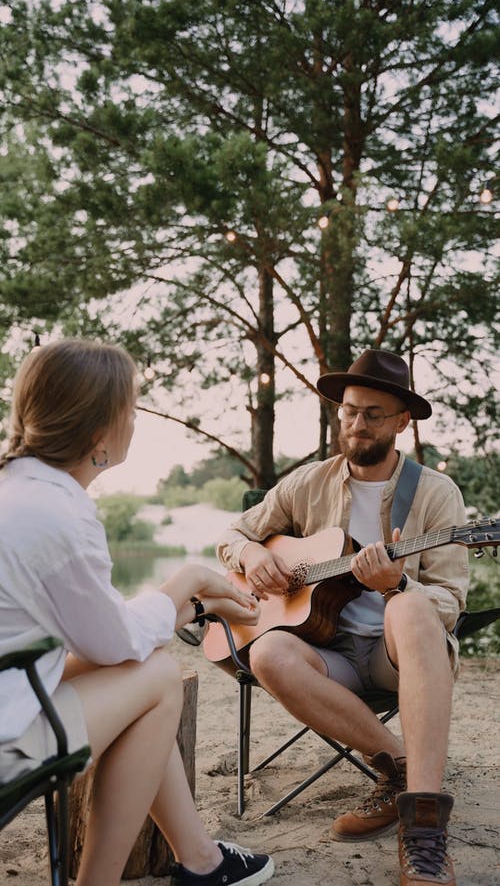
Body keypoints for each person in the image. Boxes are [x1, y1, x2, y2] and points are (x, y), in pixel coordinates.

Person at [0, 339, 275, 886]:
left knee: (136, 673)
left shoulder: (15, 491)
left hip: (12, 683)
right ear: (99, 433)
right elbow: (114, 644)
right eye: (132, 408)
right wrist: (189, 585)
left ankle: (201, 860)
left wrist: (187, 604)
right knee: (156, 676)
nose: (135, 421)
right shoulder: (58, 514)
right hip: (7, 739)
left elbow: (93, 633)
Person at [217, 349, 469, 886]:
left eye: (373, 414)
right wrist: (254, 555)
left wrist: (398, 585)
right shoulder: (306, 482)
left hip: (397, 658)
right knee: (267, 651)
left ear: (402, 421)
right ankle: (401, 772)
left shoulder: (435, 492)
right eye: (350, 411)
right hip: (330, 650)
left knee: (413, 606)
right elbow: (233, 535)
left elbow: (451, 598)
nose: (356, 424)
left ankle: (423, 831)